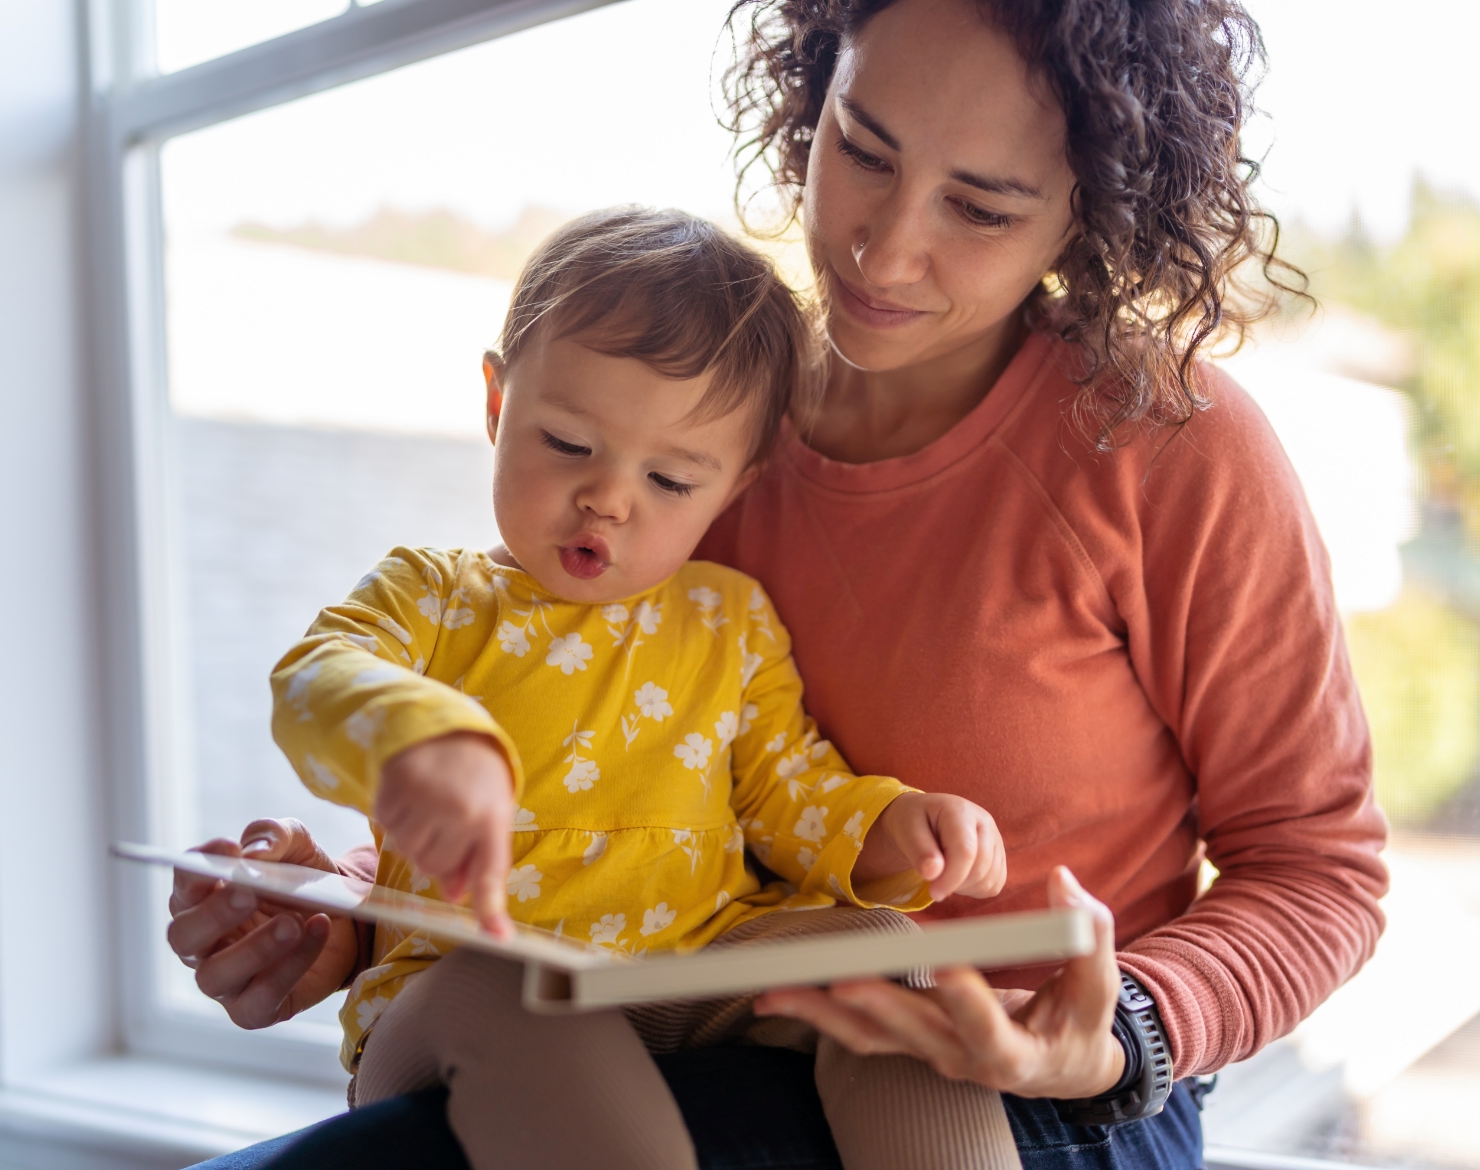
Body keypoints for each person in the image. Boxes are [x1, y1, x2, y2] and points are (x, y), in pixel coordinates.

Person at [171, 0, 1389, 1166]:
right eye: (861, 149)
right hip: (700, 1014)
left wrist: (1128, 1025)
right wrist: (338, 918)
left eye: (979, 206)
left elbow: (1321, 870)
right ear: (814, 90)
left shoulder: (1169, 446)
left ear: (1090, 213)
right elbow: (592, 780)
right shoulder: (694, 431)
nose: (885, 243)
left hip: (1043, 1101)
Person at [264, 204, 1021, 1170]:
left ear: (735, 489)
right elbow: (315, 677)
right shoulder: (437, 596)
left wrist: (891, 830)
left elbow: (787, 790)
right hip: (462, 989)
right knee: (513, 985)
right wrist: (418, 739)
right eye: (569, 444)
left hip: (694, 965)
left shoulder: (729, 620)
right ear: (498, 404)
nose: (610, 499)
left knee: (888, 949)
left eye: (670, 481)